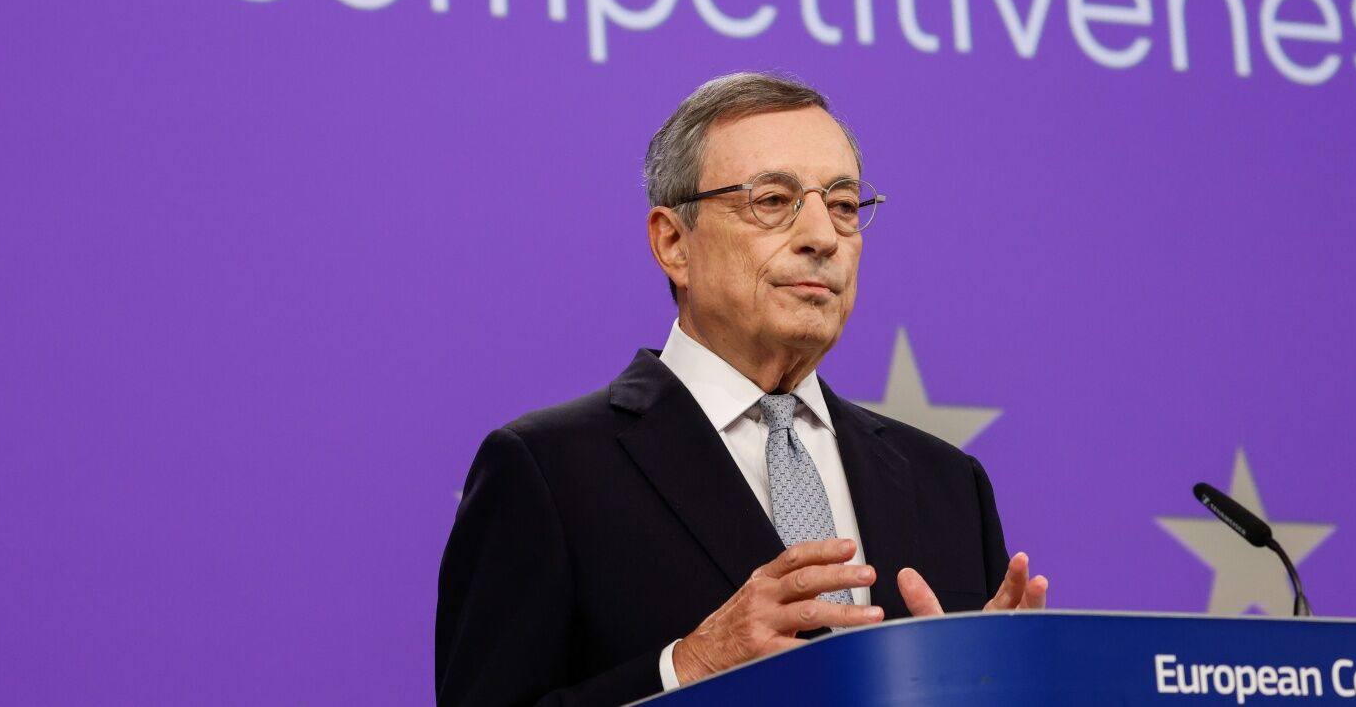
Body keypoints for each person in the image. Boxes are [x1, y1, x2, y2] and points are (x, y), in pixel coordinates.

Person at [435, 73, 1045, 706]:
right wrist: (691, 665)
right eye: (774, 200)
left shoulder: (947, 483)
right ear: (673, 243)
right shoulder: (548, 470)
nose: (823, 237)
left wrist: (1001, 690)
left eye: (843, 205)